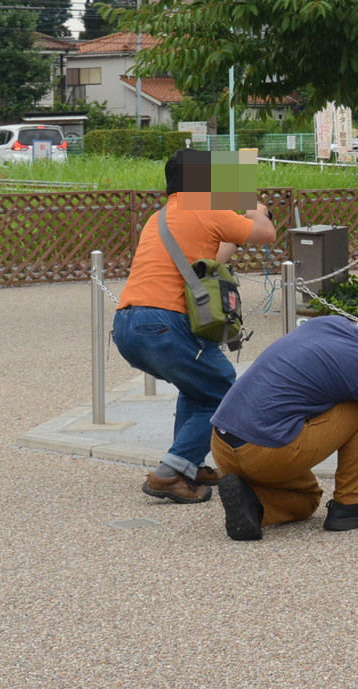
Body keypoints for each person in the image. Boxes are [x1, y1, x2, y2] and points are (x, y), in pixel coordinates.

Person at [112, 148, 275, 503]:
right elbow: (267, 234)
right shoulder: (207, 209)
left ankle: (191, 465)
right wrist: (252, 207)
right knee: (223, 393)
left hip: (127, 325)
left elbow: (207, 266)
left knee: (196, 388)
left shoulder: (158, 218)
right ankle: (169, 474)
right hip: (166, 325)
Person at [209, 300, 358, 541]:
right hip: (264, 452)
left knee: (308, 498)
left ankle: (252, 504)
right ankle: (353, 503)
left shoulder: (330, 323)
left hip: (222, 442)